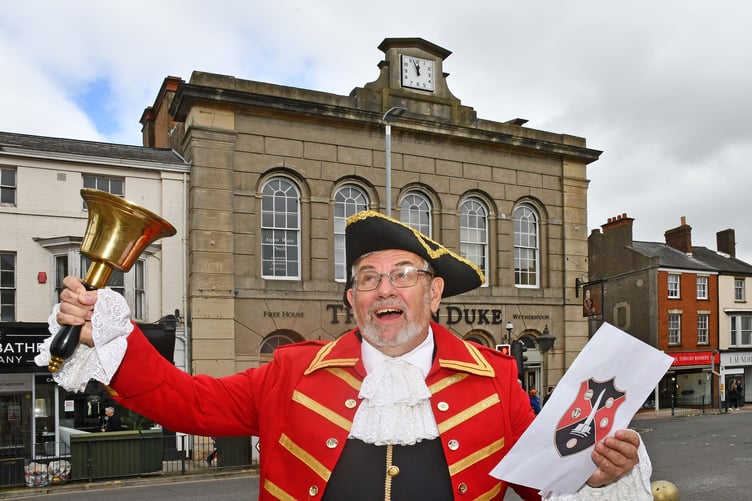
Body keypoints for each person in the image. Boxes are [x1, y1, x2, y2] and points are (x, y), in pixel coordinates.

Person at [37, 210, 652, 500]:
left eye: (403, 275)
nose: (384, 289)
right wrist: (112, 343)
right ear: (352, 300)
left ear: (434, 293)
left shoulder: (496, 381)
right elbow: (187, 402)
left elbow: (543, 483)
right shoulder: (291, 371)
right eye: (367, 277)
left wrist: (595, 475)